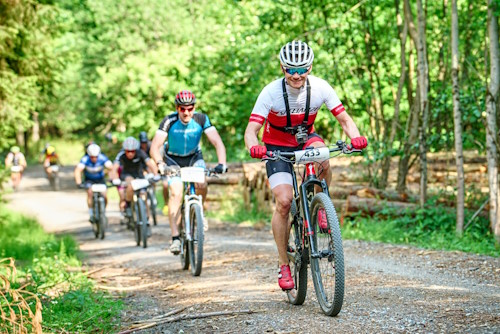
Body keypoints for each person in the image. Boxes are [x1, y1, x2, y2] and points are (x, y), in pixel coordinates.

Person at [244, 40, 367, 290]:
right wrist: (254, 147)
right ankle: (283, 264)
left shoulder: (321, 87)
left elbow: (344, 119)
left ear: (310, 67)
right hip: (276, 147)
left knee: (322, 156)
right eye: (291, 69)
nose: (297, 75)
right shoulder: (270, 92)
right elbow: (251, 130)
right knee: (284, 202)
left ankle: (322, 206)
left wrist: (356, 137)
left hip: (305, 140)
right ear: (282, 67)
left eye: (302, 69)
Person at [150, 90, 228, 255]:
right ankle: (175, 238)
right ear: (177, 108)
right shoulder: (169, 121)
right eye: (182, 109)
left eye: (190, 108)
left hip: (194, 158)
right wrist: (160, 164)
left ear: (194, 108)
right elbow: (155, 147)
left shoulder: (201, 119)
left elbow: (217, 142)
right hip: (173, 160)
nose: (186, 112)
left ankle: (200, 212)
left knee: (202, 183)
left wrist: (222, 163)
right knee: (176, 193)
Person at [109, 137, 157, 220]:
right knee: (130, 184)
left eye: (132, 151)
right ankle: (127, 204)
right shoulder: (121, 154)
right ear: (125, 150)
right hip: (127, 175)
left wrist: (156, 174)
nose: (130, 153)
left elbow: (149, 163)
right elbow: (114, 168)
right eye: (128, 151)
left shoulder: (141, 153)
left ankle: (147, 218)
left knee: (144, 195)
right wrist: (114, 179)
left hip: (139, 175)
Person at [74, 144, 113, 222]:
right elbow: (78, 170)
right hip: (89, 180)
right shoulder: (85, 160)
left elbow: (111, 167)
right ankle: (91, 213)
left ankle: (103, 211)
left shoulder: (102, 158)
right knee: (90, 192)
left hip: (100, 179)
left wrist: (110, 177)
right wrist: (78, 182)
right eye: (92, 157)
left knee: (104, 195)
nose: (94, 158)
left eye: (96, 156)